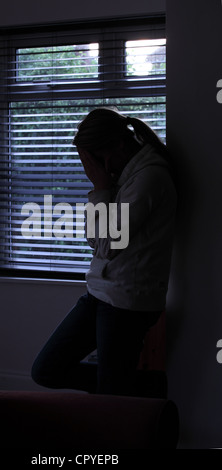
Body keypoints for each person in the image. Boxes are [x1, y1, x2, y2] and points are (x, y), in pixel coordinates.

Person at [31, 107, 177, 396]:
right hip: (99, 293)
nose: (95, 169)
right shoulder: (123, 178)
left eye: (95, 160)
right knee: (46, 369)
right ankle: (143, 389)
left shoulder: (148, 179)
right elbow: (95, 241)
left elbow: (108, 246)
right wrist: (102, 189)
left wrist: (100, 187)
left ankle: (141, 394)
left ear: (119, 145)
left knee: (112, 396)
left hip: (127, 302)